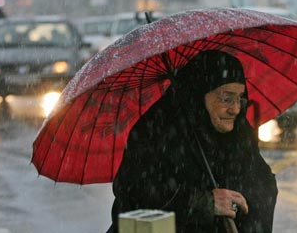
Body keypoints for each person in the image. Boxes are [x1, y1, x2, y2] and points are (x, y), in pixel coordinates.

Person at [109, 50, 278, 233]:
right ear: (199, 95)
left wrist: (238, 208)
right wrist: (205, 203)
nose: (235, 109)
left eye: (240, 98)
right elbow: (135, 195)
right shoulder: (156, 129)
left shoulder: (239, 132)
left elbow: (261, 184)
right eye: (227, 98)